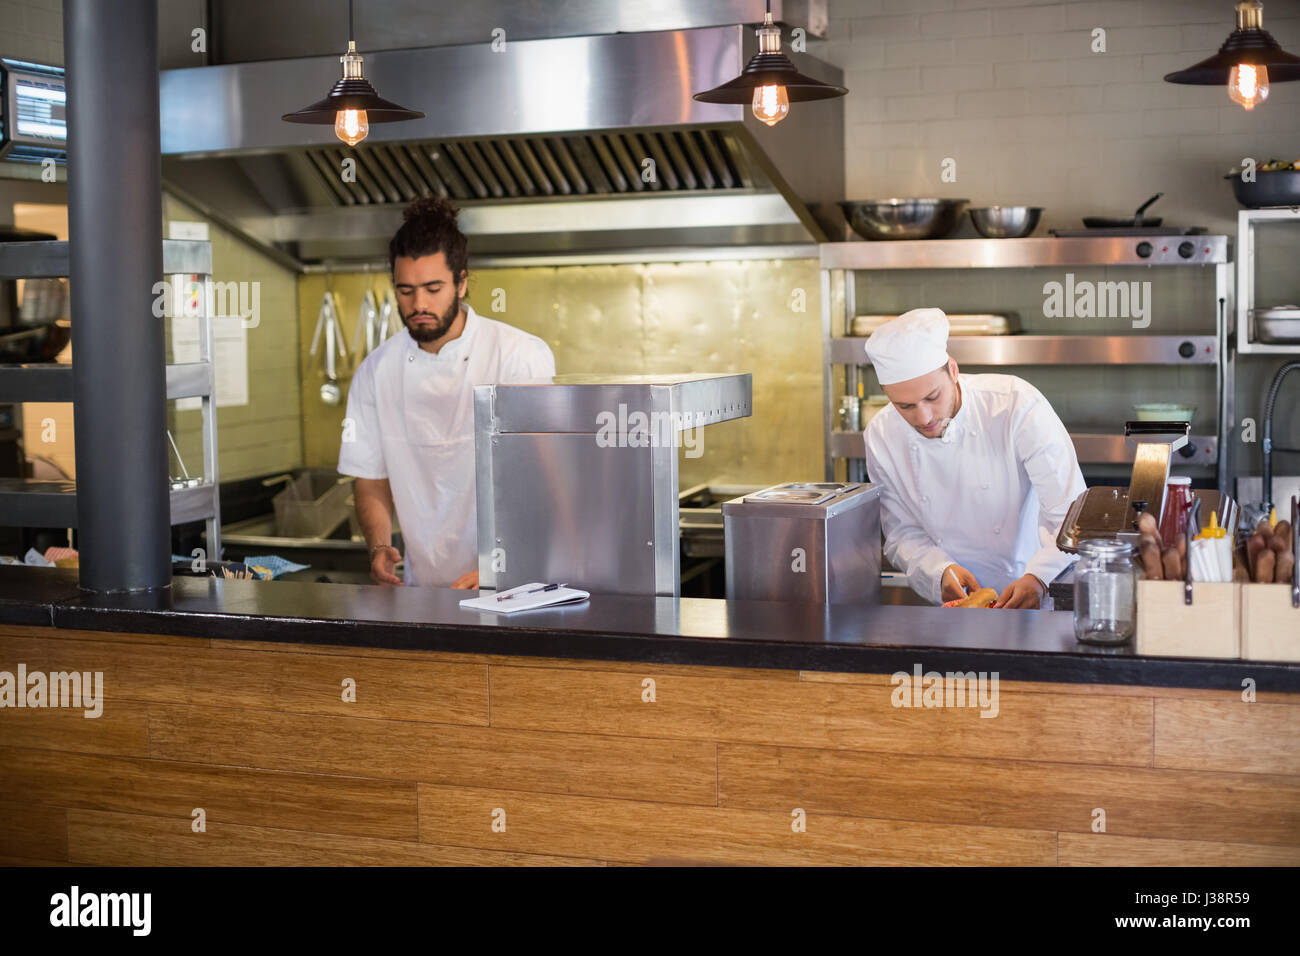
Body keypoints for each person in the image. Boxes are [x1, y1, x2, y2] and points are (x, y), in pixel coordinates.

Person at [339, 197, 555, 588]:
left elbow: (545, 480)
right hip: (425, 593)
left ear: (462, 282)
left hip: (517, 587)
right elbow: (370, 479)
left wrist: (503, 567)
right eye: (405, 290)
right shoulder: (375, 372)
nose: (418, 304)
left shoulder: (519, 356)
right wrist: (378, 548)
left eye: (433, 288)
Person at [862, 308, 1085, 608]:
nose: (924, 417)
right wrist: (939, 572)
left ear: (953, 370)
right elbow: (901, 531)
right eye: (905, 406)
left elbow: (1070, 516)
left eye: (932, 397)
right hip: (955, 609)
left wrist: (1040, 578)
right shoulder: (881, 435)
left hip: (1034, 593)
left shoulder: (1016, 405)